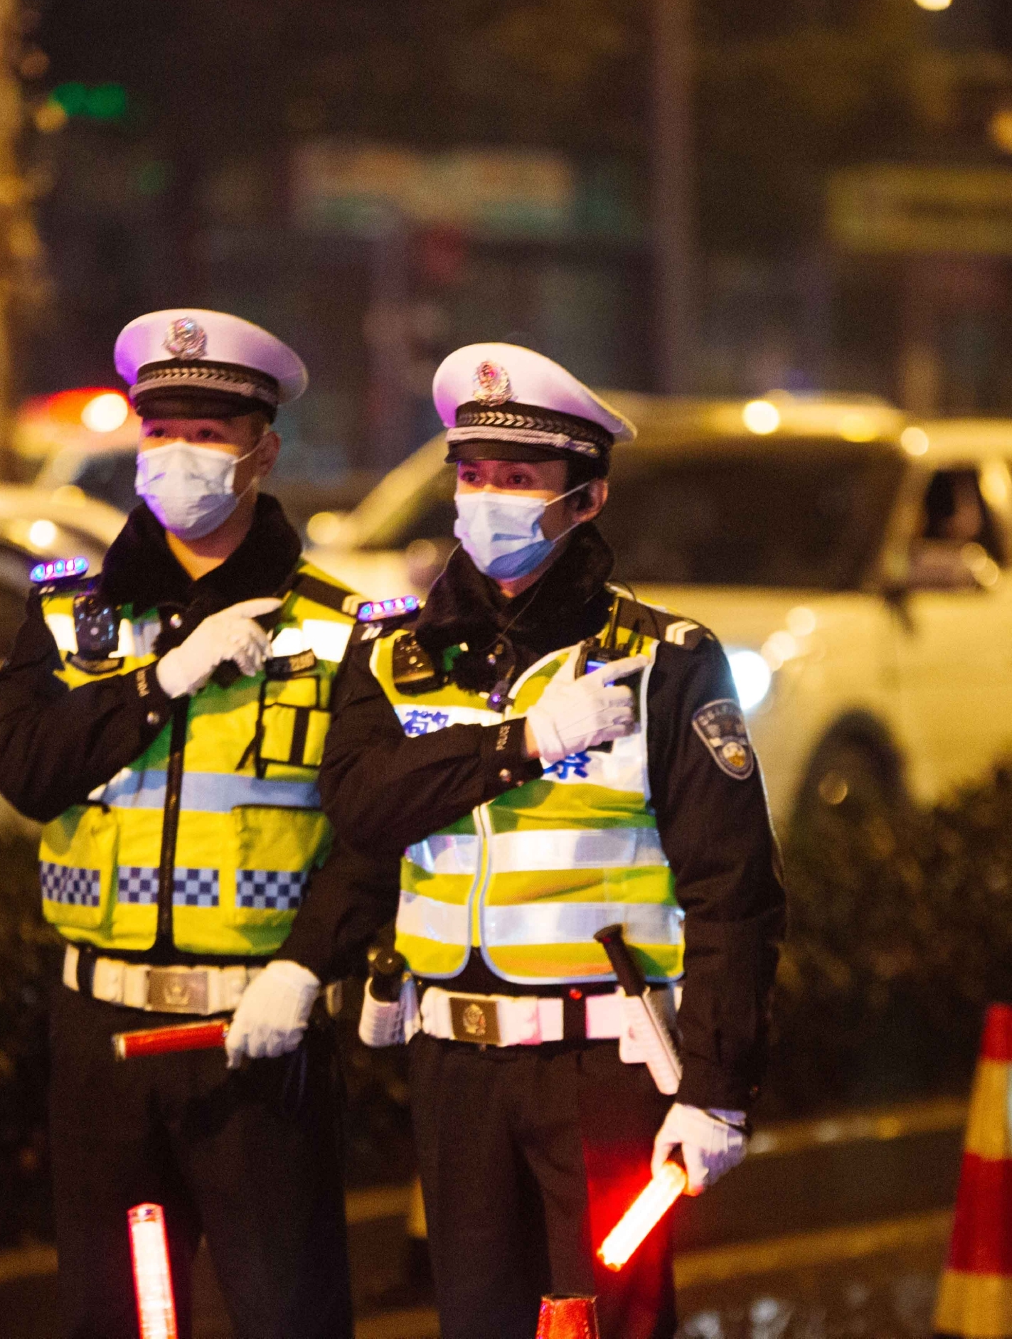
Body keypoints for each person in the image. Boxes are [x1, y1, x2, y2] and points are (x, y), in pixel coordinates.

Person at [318, 343, 788, 1339]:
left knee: (610, 1326)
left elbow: (733, 888)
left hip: (604, 1072)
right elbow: (360, 808)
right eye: (473, 475)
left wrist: (716, 1089)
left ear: (586, 498)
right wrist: (523, 743)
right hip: (453, 1063)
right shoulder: (390, 655)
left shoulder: (666, 661)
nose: (487, 498)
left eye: (519, 479)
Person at [0, 309, 387, 1339]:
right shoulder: (71, 615)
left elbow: (373, 831)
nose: (179, 454)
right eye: (161, 430)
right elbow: (23, 769)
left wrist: (307, 968)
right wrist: (157, 682)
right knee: (116, 1322)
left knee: (287, 1319)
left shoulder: (337, 628)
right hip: (101, 1040)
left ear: (263, 451)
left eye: (208, 433)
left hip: (256, 1036)